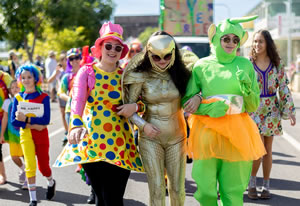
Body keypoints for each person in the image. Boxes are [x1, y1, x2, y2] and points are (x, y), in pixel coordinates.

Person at [54, 22, 143, 206]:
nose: (113, 50)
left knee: (114, 199)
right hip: (92, 145)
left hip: (121, 144)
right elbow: (77, 102)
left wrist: (134, 107)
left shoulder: (126, 75)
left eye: (117, 47)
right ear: (100, 47)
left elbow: (144, 103)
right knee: (102, 199)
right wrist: (75, 125)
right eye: (108, 45)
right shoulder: (87, 72)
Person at [182, 16, 266, 206]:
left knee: (233, 192)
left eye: (235, 40)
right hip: (206, 134)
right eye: (226, 38)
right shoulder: (201, 66)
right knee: (206, 191)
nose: (231, 43)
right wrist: (208, 107)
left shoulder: (245, 65)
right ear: (216, 38)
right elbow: (187, 102)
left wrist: (248, 90)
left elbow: (253, 105)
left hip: (238, 133)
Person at [121, 31, 193, 206]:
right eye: (157, 57)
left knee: (177, 189)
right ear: (149, 54)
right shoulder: (139, 75)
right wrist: (143, 125)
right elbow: (128, 108)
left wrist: (197, 98)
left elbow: (197, 93)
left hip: (178, 136)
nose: (162, 61)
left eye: (167, 56)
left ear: (174, 53)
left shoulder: (182, 74)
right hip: (150, 138)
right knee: (157, 189)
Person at [248, 29, 296, 200]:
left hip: (272, 110)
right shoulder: (248, 63)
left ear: (267, 43)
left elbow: (283, 87)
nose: (257, 45)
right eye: (255, 41)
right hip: (254, 110)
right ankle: (252, 182)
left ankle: (265, 185)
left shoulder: (277, 64)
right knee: (258, 150)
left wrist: (290, 110)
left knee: (268, 150)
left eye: (260, 41)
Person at [11, 64, 56, 206]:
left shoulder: (44, 97)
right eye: (23, 77)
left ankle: (51, 181)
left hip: (41, 135)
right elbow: (14, 121)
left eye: (29, 77)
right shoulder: (18, 97)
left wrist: (27, 120)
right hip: (26, 135)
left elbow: (46, 120)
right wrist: (31, 125)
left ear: (36, 78)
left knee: (43, 167)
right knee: (29, 166)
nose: (26, 80)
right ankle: (33, 199)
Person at [0, 80, 27, 188]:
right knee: (14, 156)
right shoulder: (7, 102)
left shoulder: (25, 100)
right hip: (12, 136)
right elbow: (5, 118)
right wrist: (2, 134)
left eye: (18, 87)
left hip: (24, 134)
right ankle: (23, 169)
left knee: (26, 156)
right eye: (13, 87)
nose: (15, 89)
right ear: (10, 91)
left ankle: (27, 180)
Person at [57, 48, 81, 146]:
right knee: (74, 139)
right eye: (71, 59)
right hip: (70, 110)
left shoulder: (88, 73)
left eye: (77, 57)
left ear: (80, 58)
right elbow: (60, 92)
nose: (74, 61)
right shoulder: (67, 76)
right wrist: (70, 99)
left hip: (86, 110)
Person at [48, 53, 68, 140]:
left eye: (67, 59)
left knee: (71, 114)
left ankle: (72, 130)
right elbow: (49, 80)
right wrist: (56, 73)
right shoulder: (59, 71)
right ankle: (66, 131)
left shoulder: (71, 70)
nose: (67, 61)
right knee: (63, 114)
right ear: (61, 61)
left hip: (70, 94)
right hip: (61, 95)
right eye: (64, 59)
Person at [0, 70, 12, 185]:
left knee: (17, 146)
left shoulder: (5, 77)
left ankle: (24, 169)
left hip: (5, 118)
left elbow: (15, 92)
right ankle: (2, 174)